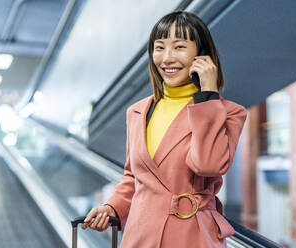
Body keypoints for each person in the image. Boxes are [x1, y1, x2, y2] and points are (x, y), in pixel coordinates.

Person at [82, 11, 248, 247]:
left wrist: (207, 97)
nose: (167, 58)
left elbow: (208, 164)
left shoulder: (229, 112)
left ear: (202, 55)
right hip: (141, 235)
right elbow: (134, 177)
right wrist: (112, 207)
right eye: (159, 48)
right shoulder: (137, 112)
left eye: (179, 47)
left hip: (194, 235)